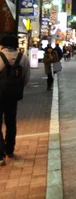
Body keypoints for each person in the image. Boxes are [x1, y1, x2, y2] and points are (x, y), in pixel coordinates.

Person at [0, 34, 31, 166]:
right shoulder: (23, 57)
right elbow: (26, 78)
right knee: (11, 122)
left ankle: (0, 154)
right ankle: (9, 150)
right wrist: (16, 88)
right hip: (13, 96)